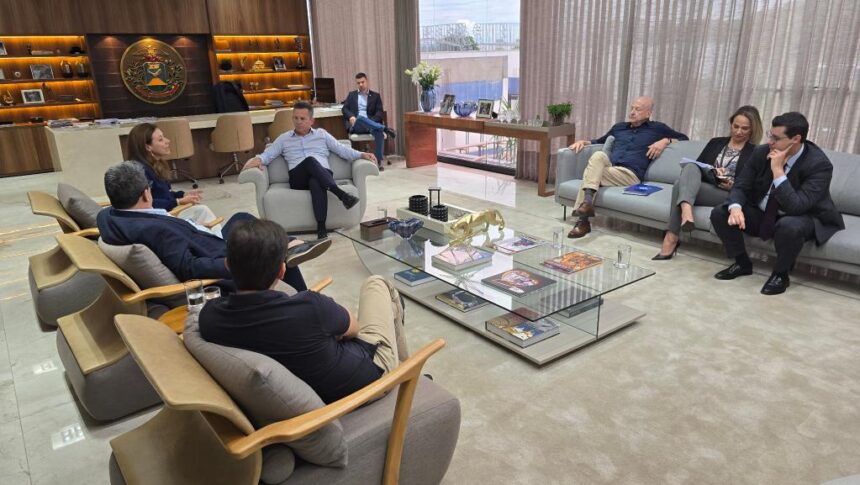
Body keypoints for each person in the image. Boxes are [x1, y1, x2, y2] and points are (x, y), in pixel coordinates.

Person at [198, 218, 408, 404]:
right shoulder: (310, 307)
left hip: (320, 385)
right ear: (282, 271)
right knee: (377, 284)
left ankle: (406, 370)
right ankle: (407, 372)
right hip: (369, 379)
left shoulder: (209, 318)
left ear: (227, 265)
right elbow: (354, 328)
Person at [96, 161, 331, 293]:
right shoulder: (153, 230)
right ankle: (304, 297)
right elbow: (189, 267)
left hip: (204, 241)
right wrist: (233, 263)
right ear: (146, 193)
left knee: (242, 217)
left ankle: (291, 243)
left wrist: (191, 226)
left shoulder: (110, 216)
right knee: (272, 249)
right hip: (222, 261)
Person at [710, 112, 845, 295]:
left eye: (776, 138)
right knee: (721, 212)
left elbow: (796, 207)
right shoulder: (762, 152)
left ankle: (780, 275)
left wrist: (778, 170)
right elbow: (741, 185)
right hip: (764, 213)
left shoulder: (818, 165)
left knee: (789, 225)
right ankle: (742, 263)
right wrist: (735, 208)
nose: (770, 142)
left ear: (796, 139)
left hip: (803, 216)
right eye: (770, 135)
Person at [243, 101, 377, 239]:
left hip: (323, 175)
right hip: (298, 178)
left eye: (302, 118)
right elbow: (267, 155)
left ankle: (321, 229)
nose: (298, 122)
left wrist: (361, 154)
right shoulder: (284, 139)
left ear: (312, 121)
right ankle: (341, 194)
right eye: (295, 118)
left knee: (316, 181)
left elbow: (342, 150)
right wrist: (256, 161)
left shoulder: (322, 134)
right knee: (310, 161)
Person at [566, 96, 689, 238]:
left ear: (648, 113)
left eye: (637, 109)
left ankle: (583, 221)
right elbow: (599, 141)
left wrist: (665, 141)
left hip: (630, 174)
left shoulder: (658, 128)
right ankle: (587, 204)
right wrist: (583, 142)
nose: (632, 112)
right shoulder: (619, 127)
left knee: (590, 173)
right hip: (612, 169)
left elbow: (684, 138)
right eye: (631, 108)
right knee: (598, 155)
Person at [653, 105, 763, 259]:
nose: (738, 131)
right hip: (710, 185)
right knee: (690, 167)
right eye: (736, 126)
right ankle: (686, 212)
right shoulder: (716, 142)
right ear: (731, 124)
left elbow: (755, 187)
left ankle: (671, 237)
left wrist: (734, 186)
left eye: (744, 128)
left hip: (730, 194)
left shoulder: (756, 152)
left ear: (752, 129)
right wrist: (713, 172)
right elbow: (698, 167)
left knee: (679, 186)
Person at [126, 123, 219, 232]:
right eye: (161, 139)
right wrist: (178, 201)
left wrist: (182, 195)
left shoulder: (155, 165)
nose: (168, 141)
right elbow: (145, 203)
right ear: (147, 147)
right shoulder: (140, 171)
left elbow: (163, 194)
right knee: (202, 211)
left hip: (165, 214)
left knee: (201, 212)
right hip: (157, 220)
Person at [341, 72, 396, 171]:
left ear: (367, 81)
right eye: (358, 83)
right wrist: (351, 116)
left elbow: (379, 113)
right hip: (358, 126)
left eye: (362, 82)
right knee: (360, 118)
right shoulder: (352, 95)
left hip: (371, 125)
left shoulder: (375, 96)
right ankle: (385, 129)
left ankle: (378, 161)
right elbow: (344, 109)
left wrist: (370, 121)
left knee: (378, 133)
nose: (361, 84)